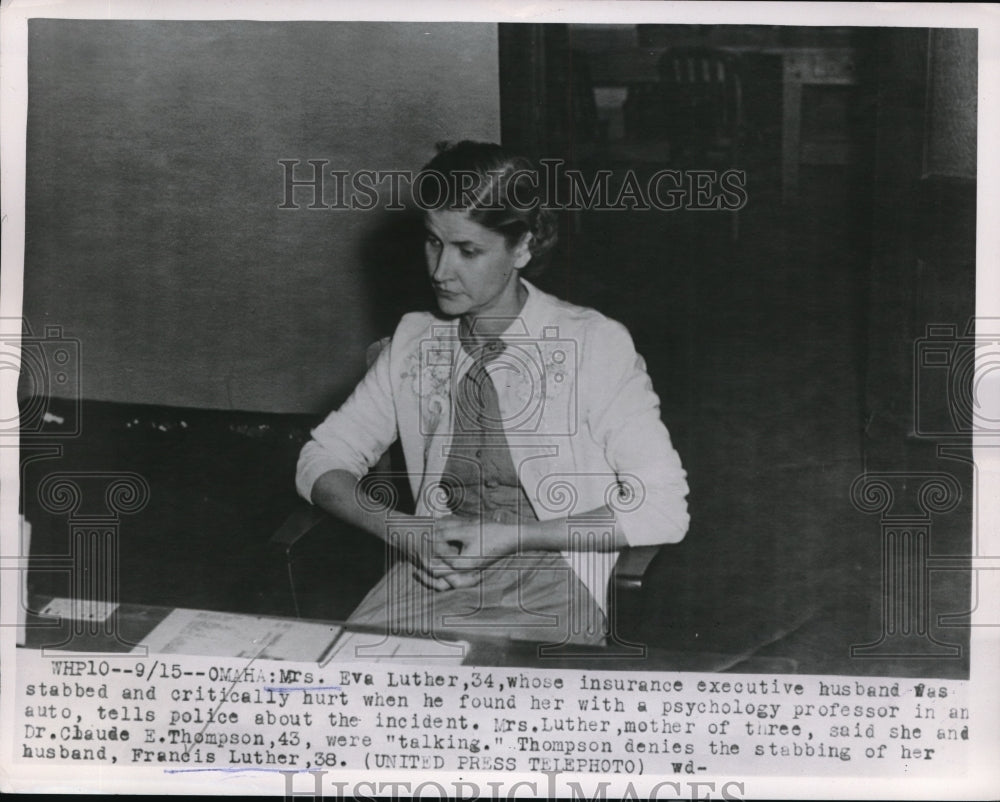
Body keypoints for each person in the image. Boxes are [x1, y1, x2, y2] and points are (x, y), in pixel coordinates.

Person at [296, 141, 689, 646]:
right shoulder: (416, 340)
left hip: (552, 581)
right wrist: (404, 530)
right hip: (433, 571)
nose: (440, 270)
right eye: (433, 242)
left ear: (521, 247)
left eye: (468, 250)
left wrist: (515, 535)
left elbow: (662, 507)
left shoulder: (593, 343)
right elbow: (321, 458)